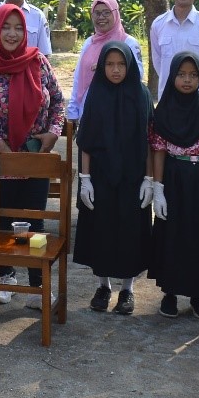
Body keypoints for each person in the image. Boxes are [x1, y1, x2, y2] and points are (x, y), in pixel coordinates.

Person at [0, 4, 65, 309]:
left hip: (34, 159)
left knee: (35, 224)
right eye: (6, 27)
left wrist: (53, 133)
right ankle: (4, 276)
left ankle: (37, 285)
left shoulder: (38, 61)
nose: (12, 33)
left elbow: (58, 103)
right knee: (0, 224)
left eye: (19, 28)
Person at [148, 52, 199, 320]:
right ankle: (169, 292)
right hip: (174, 177)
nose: (187, 80)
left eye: (193, 75)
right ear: (172, 76)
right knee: (172, 234)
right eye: (181, 74)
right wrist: (158, 188)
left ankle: (198, 295)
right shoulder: (163, 112)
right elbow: (159, 150)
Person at [74, 42, 152, 316]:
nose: (116, 70)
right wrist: (85, 178)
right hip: (101, 175)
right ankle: (103, 286)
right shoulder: (96, 93)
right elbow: (86, 140)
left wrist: (150, 179)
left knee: (130, 232)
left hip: (133, 176)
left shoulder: (141, 94)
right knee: (102, 230)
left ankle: (127, 289)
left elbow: (150, 141)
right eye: (109, 64)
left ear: (129, 66)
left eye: (121, 64)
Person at [67, 0, 144, 121]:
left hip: (119, 112)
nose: (101, 17)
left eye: (106, 12)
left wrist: (105, 69)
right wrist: (73, 110)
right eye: (97, 13)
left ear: (115, 13)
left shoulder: (129, 43)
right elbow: (78, 78)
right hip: (89, 112)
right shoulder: (89, 43)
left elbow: (137, 75)